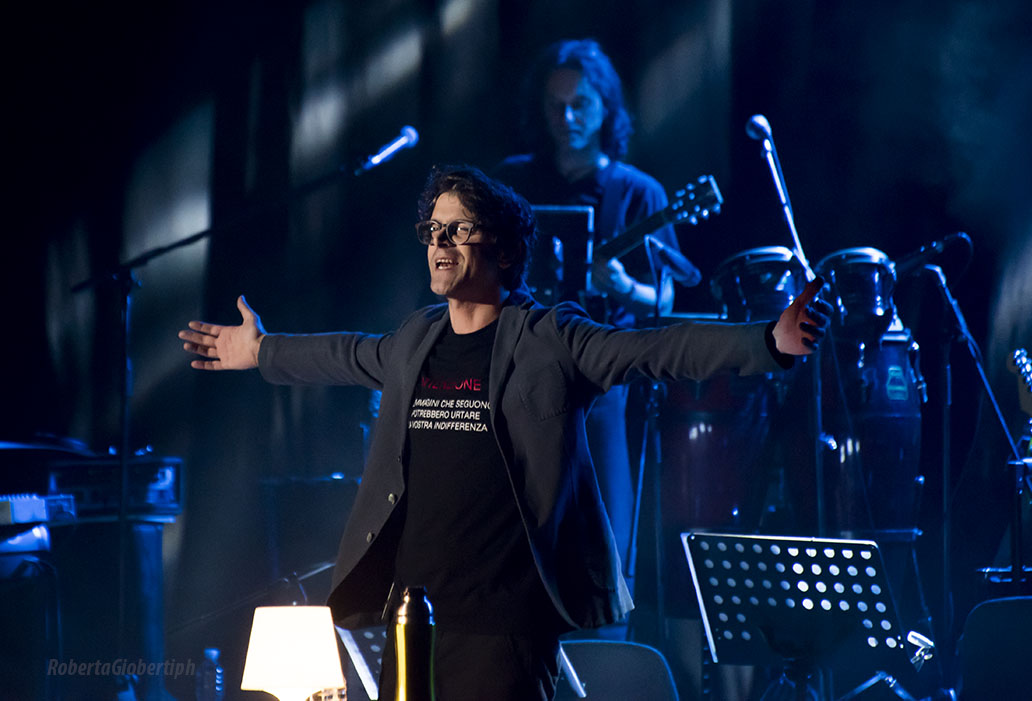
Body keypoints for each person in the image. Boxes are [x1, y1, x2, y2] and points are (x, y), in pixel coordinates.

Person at [179, 165, 830, 700]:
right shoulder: (416, 338)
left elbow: (654, 346)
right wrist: (261, 350)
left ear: (506, 248)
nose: (438, 243)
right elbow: (347, 353)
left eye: (457, 229)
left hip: (504, 626)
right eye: (432, 229)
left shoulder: (550, 339)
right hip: (412, 615)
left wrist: (767, 340)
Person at [494, 39, 683, 594]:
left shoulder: (638, 192)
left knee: (602, 540)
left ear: (605, 107)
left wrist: (625, 287)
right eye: (556, 106)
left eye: (579, 104)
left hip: (601, 388)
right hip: (515, 378)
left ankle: (605, 659)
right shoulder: (512, 183)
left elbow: (667, 300)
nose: (567, 118)